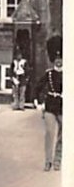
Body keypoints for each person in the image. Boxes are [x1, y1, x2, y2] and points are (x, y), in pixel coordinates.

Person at [35, 35, 62, 171]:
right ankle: (48, 161)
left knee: (64, 134)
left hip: (63, 107)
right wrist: (38, 102)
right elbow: (38, 87)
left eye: (60, 58)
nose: (58, 61)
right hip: (50, 105)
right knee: (50, 132)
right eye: (56, 59)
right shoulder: (49, 74)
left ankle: (58, 160)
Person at [10, 30, 31, 110]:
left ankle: (21, 105)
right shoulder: (14, 62)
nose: (18, 57)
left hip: (22, 78)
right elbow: (11, 71)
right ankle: (16, 105)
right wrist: (12, 78)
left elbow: (27, 71)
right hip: (16, 77)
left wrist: (26, 79)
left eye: (20, 55)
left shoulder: (24, 62)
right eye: (17, 55)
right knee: (15, 93)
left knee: (22, 93)